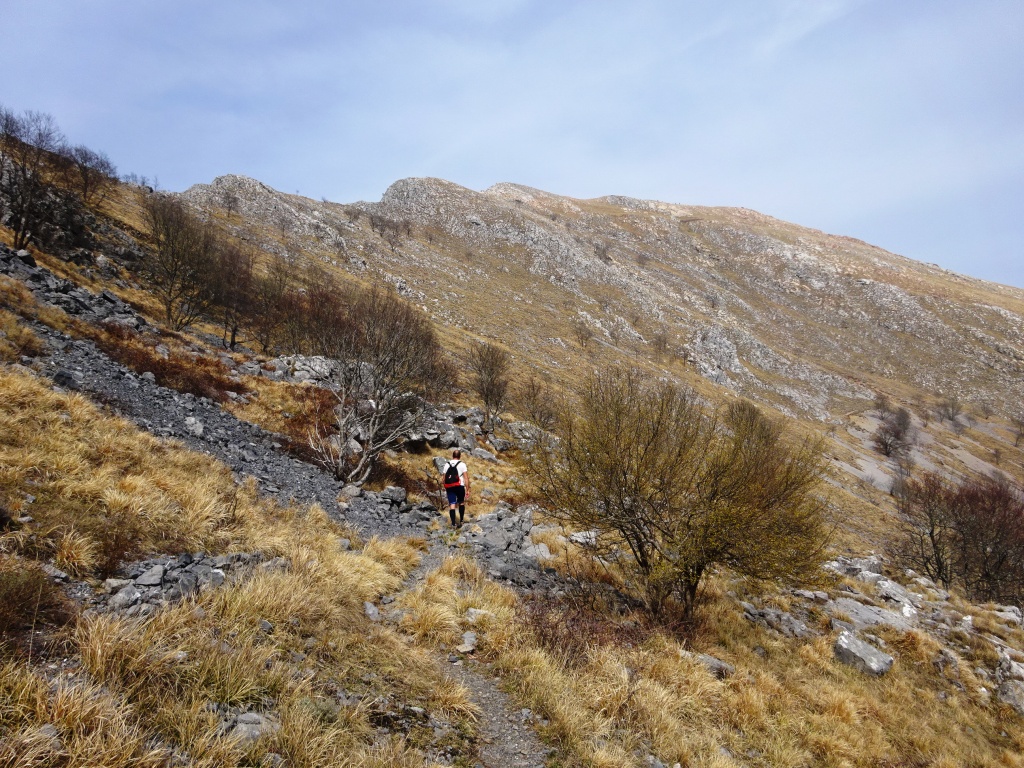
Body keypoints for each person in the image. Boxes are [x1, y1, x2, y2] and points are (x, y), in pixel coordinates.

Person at [442, 449, 470, 528]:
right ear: (460, 456)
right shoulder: (462, 464)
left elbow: (443, 479)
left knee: (452, 504)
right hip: (459, 485)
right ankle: (461, 520)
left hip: (450, 486)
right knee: (461, 502)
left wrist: (446, 486)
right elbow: (466, 478)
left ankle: (453, 523)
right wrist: (467, 489)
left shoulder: (447, 464)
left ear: (453, 456)